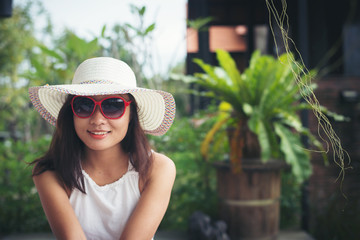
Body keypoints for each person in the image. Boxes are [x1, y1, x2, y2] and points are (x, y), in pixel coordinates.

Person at [28, 57, 176, 240]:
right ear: (71, 113)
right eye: (84, 105)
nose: (97, 119)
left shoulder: (158, 168)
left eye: (113, 106)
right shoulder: (49, 173)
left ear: (131, 115)